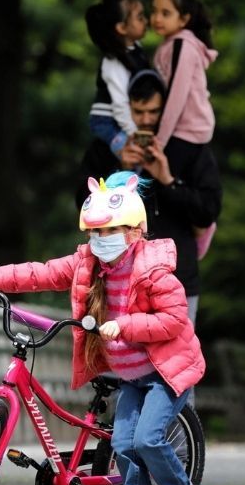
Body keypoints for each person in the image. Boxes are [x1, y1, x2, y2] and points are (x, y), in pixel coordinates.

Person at [0, 174, 210, 485]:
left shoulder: (155, 271)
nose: (101, 238)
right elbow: (39, 273)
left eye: (110, 230)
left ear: (135, 231)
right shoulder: (87, 263)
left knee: (148, 439)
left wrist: (124, 325)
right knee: (123, 445)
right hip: (131, 378)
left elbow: (173, 321)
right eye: (95, 232)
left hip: (165, 373)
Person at [77, 70, 222, 323]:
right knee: (121, 359)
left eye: (154, 112)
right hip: (117, 281)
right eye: (138, 111)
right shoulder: (105, 149)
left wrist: (168, 181)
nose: (146, 120)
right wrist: (120, 171)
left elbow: (208, 210)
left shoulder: (189, 147)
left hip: (177, 279)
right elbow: (84, 205)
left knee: (175, 360)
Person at [151, 0, 220, 260]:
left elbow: (176, 98)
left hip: (185, 132)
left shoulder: (182, 45)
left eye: (165, 13)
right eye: (154, 11)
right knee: (165, 191)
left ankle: (202, 228)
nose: (157, 18)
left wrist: (159, 142)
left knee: (166, 192)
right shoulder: (173, 44)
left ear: (184, 18)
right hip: (182, 131)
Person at [85, 0, 151, 155]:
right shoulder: (114, 62)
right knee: (133, 154)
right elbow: (120, 104)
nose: (147, 21)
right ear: (121, 28)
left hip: (123, 118)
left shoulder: (136, 49)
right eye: (140, 17)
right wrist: (134, 134)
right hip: (107, 121)